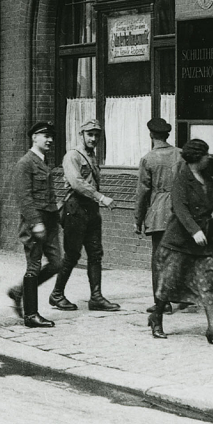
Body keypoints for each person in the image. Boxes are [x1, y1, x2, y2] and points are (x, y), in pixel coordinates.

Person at [147, 139, 213, 344]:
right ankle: (156, 317)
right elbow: (179, 208)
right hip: (180, 241)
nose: (209, 157)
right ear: (196, 158)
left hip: (206, 242)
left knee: (209, 281)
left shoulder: (206, 177)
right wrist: (194, 231)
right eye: (206, 154)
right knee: (168, 282)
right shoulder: (182, 179)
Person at [50, 119, 120, 312]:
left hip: (91, 209)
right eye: (90, 134)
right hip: (76, 208)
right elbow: (77, 183)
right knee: (72, 255)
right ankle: (56, 294)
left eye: (97, 135)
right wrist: (101, 197)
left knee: (96, 253)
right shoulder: (73, 156)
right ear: (81, 135)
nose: (94, 138)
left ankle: (96, 297)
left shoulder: (92, 156)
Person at [6, 122, 60, 328]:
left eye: (51, 136)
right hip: (34, 222)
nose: (50, 140)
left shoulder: (44, 162)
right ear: (34, 138)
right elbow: (24, 197)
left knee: (57, 263)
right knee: (34, 266)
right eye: (45, 136)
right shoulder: (25, 163)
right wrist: (36, 222)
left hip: (49, 222)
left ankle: (20, 291)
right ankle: (31, 315)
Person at [135, 118, 182, 315]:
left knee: (159, 259)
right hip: (180, 212)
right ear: (167, 135)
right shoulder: (180, 154)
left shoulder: (148, 159)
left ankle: (162, 303)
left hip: (159, 213)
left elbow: (142, 193)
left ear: (151, 135)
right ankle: (179, 295)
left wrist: (138, 220)